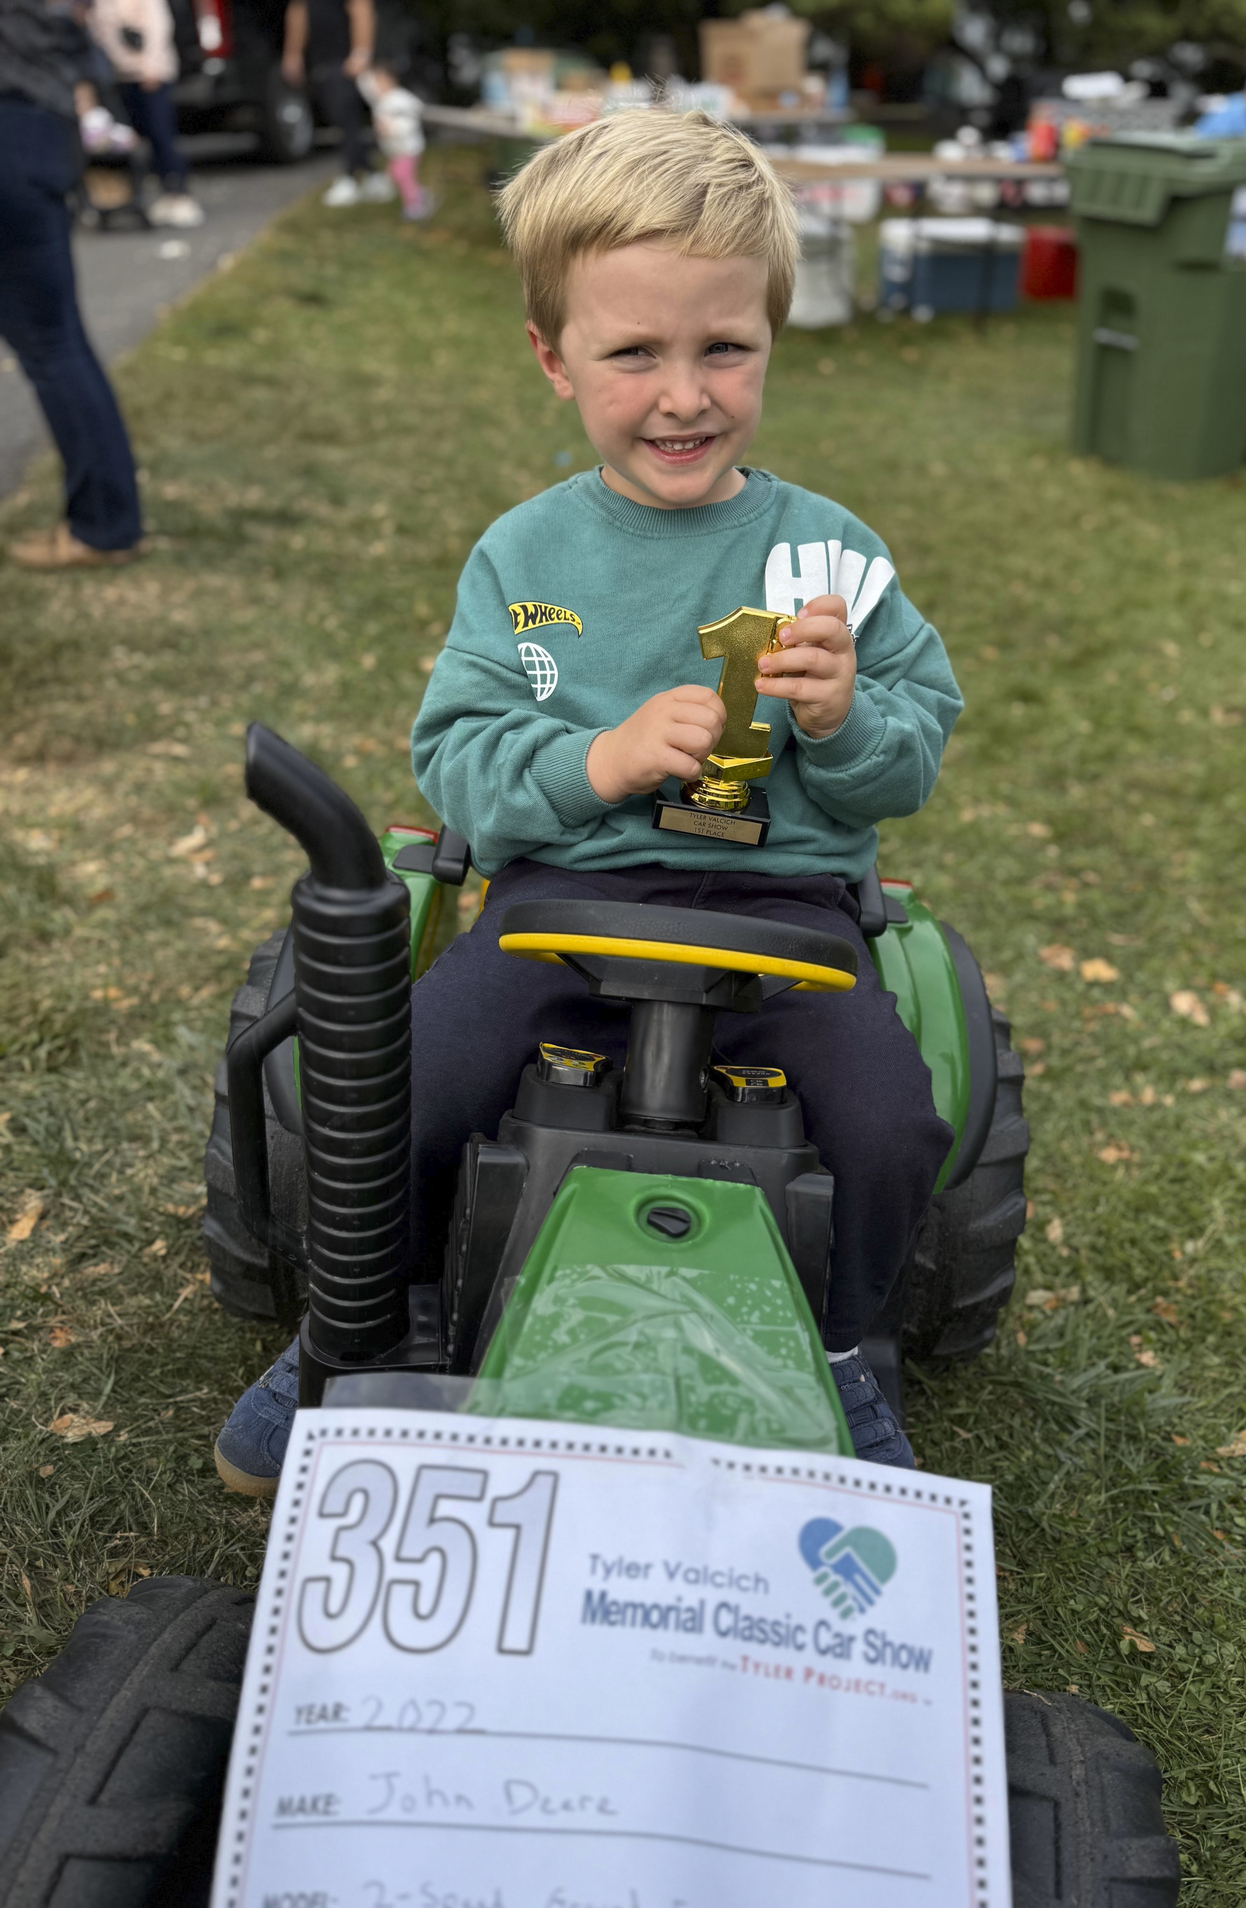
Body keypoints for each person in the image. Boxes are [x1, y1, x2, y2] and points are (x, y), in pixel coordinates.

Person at [214, 110, 963, 1494]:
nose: (685, 394)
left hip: (786, 920)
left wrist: (844, 718)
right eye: (635, 354)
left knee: (892, 1124)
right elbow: (461, 758)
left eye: (723, 349)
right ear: (555, 360)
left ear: (772, 340)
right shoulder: (525, 555)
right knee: (403, 1084)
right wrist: (597, 762)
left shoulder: (832, 553)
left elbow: (912, 756)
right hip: (562, 903)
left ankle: (843, 1354)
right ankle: (369, 1319)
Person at [0, 0, 143, 568]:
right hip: (41, 133)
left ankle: (104, 526)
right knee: (59, 342)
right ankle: (107, 520)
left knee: (52, 346)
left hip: (11, 133)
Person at [89, 0, 203, 227]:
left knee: (161, 134)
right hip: (118, 77)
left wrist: (151, 67)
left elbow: (158, 25)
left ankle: (178, 193)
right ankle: (125, 199)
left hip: (150, 75)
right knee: (124, 141)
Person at [280, 0, 392, 207]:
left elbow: (361, 8)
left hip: (345, 60)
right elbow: (298, 11)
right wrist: (293, 53)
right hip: (321, 58)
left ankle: (350, 176)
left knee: (346, 117)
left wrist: (361, 53)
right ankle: (371, 175)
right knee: (340, 119)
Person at [357, 57, 430, 220]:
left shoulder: (401, 98)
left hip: (408, 148)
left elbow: (415, 114)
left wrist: (394, 128)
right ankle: (419, 194)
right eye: (375, 81)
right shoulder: (379, 99)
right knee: (396, 176)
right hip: (395, 149)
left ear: (392, 80)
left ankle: (414, 206)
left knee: (401, 175)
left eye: (380, 80)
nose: (376, 85)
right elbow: (364, 84)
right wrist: (361, 68)